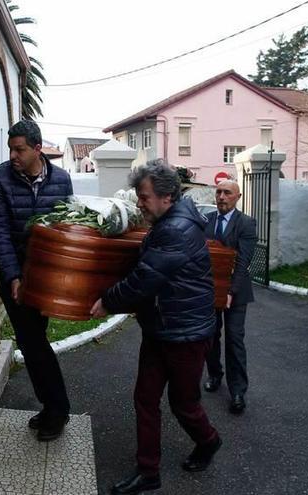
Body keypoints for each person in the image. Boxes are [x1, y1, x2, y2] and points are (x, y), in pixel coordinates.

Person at [91, 160, 222, 495]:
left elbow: (144, 279)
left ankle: (209, 441)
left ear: (166, 197)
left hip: (185, 335)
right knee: (145, 399)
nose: (139, 203)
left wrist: (108, 301)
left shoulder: (175, 230)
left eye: (144, 197)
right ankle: (148, 472)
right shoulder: (167, 222)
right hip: (161, 329)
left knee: (184, 404)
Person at [0, 120, 74, 441]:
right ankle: (56, 408)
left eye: (19, 149)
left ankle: (54, 408)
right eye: (11, 148)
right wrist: (14, 276)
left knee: (35, 341)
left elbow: (65, 228)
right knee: (32, 341)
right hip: (16, 277)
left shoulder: (62, 180)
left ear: (38, 149)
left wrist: (62, 277)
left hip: (47, 278)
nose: (13, 155)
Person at [202, 180, 257, 415]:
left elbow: (243, 261)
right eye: (219, 192)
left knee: (234, 339)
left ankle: (237, 391)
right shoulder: (207, 221)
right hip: (209, 291)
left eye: (227, 193)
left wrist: (230, 293)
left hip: (236, 291)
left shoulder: (246, 223)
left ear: (238, 197)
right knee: (210, 337)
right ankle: (215, 375)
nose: (221, 196)